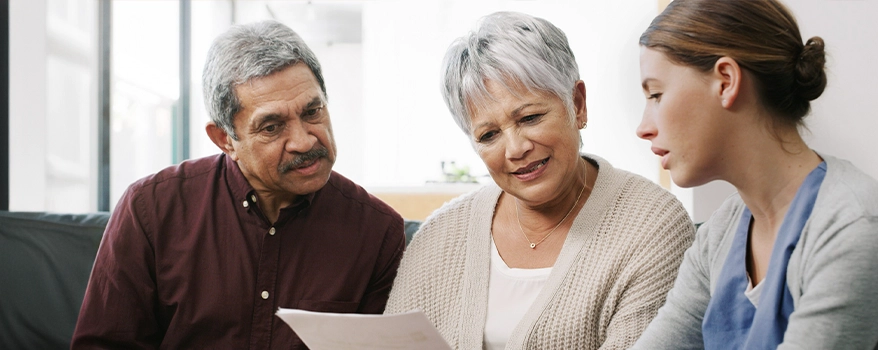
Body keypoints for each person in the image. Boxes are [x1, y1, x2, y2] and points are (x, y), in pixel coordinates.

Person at [630, 1, 878, 349]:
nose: (643, 128)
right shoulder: (721, 233)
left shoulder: (857, 228)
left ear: (726, 81)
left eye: (656, 94)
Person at [71, 21, 406, 348]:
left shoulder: (378, 232)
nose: (304, 142)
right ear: (224, 139)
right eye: (272, 127)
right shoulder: (151, 209)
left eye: (312, 112)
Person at [385, 11, 695, 349]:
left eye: (530, 117)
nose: (516, 149)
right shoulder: (438, 237)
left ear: (577, 104)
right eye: (489, 135)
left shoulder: (652, 225)